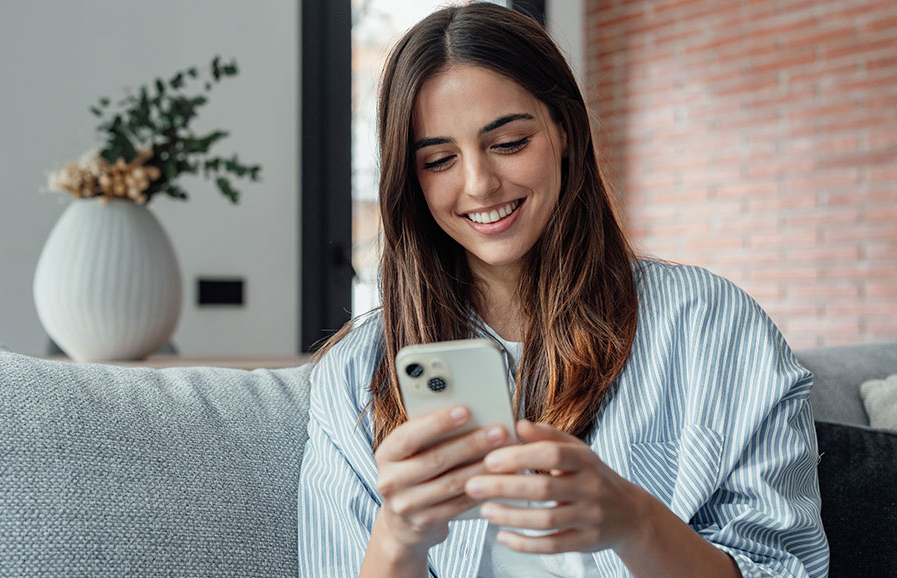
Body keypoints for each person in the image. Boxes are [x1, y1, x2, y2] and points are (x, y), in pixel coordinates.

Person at [298, 3, 829, 577]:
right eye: (440, 159)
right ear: (410, 178)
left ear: (566, 132)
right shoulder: (356, 376)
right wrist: (398, 540)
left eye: (509, 143)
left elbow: (787, 569)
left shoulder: (714, 327)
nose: (478, 184)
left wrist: (635, 521)